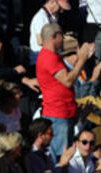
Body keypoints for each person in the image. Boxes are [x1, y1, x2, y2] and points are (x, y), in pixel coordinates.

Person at [35, 23, 94, 158]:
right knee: (62, 156)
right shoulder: (49, 57)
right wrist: (82, 59)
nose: (63, 40)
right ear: (54, 37)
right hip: (58, 114)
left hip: (63, 112)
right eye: (62, 36)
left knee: (65, 154)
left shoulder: (52, 56)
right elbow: (67, 81)